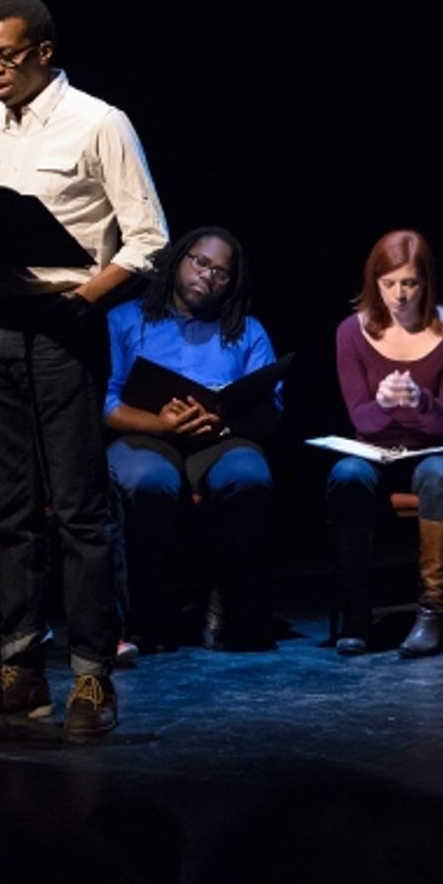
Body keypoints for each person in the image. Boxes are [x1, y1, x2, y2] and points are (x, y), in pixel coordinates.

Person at [0, 0, 168, 739]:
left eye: (6, 55)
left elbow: (147, 238)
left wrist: (82, 304)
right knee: (3, 512)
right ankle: (17, 672)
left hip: (63, 324)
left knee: (77, 510)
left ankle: (92, 678)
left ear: (43, 50)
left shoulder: (99, 121)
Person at [104, 227, 281, 651]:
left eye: (221, 272)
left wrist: (222, 419)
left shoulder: (247, 330)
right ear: (179, 260)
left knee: (248, 477)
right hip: (146, 432)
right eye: (200, 262)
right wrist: (160, 425)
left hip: (219, 437)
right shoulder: (125, 319)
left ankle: (227, 608)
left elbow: (271, 406)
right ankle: (152, 614)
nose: (208, 276)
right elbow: (105, 402)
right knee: (152, 483)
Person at [325, 230, 443, 658]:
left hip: (433, 450)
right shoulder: (350, 332)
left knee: (438, 474)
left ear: (426, 283)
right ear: (374, 283)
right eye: (389, 283)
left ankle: (434, 612)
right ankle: (356, 613)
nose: (399, 295)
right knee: (347, 474)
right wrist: (381, 402)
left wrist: (419, 400)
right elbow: (360, 419)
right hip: (374, 449)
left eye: (409, 283)